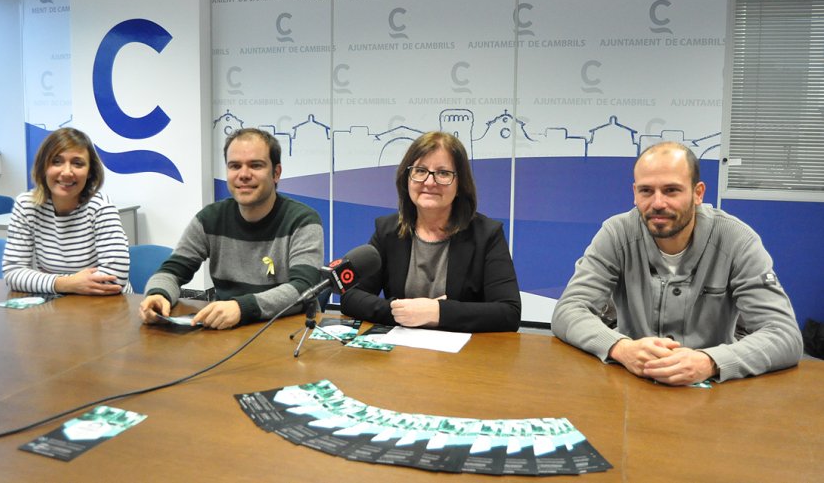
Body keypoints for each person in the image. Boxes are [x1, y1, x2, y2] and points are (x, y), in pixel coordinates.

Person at [552, 142, 803, 385]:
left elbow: (784, 335)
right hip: (632, 384)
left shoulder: (736, 239)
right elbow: (569, 310)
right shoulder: (617, 233)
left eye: (671, 190)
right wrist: (621, 347)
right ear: (635, 193)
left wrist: (711, 361)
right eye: (646, 191)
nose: (658, 203)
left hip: (712, 391)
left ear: (698, 193)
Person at [138, 128, 323, 330]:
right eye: (235, 166)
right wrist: (158, 294)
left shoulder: (303, 220)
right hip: (227, 331)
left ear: (276, 173)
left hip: (289, 333)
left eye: (256, 165)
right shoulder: (209, 219)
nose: (243, 175)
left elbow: (304, 288)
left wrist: (242, 308)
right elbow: (171, 272)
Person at [340, 131, 521, 332]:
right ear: (407, 178)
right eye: (420, 171)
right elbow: (350, 296)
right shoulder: (388, 230)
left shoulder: (487, 235)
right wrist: (400, 311)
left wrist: (437, 312)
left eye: (443, 173)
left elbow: (508, 312)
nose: (429, 182)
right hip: (401, 352)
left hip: (465, 356)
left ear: (460, 184)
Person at [2, 127, 131, 294]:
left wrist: (48, 281)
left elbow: (116, 277)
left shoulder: (100, 206)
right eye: (56, 161)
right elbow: (13, 272)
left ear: (90, 172)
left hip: (106, 307)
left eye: (77, 163)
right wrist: (66, 283)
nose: (67, 172)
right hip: (57, 305)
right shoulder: (27, 206)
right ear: (43, 167)